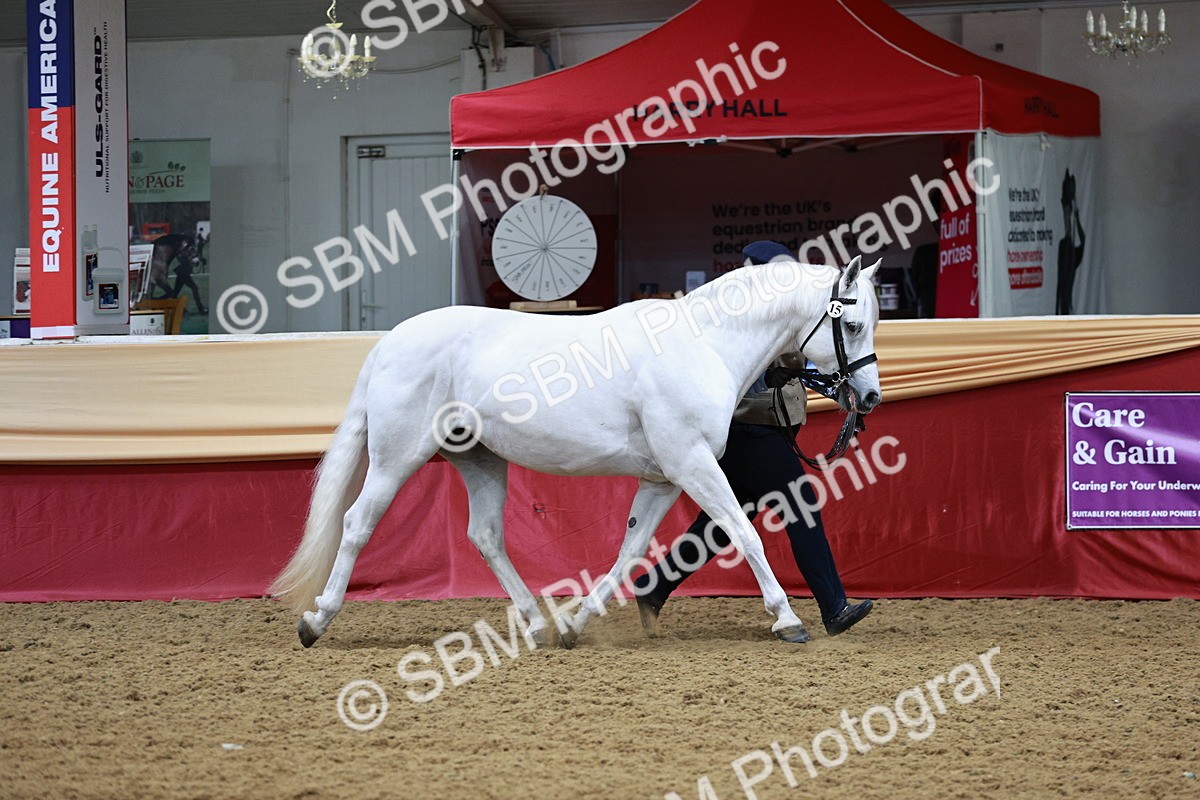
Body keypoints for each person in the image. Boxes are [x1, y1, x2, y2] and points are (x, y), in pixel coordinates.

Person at [634, 240, 874, 642]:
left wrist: (840, 390)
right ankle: (833, 607)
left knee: (719, 525)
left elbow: (807, 363)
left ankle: (654, 588)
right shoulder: (737, 318)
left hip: (765, 429)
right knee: (801, 508)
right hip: (752, 431)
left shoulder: (784, 318)